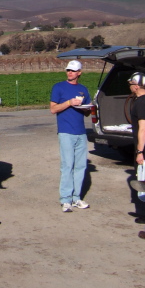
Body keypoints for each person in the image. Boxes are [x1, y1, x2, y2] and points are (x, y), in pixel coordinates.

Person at [50, 60, 92, 212]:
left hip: (81, 132)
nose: (70, 73)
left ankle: (76, 198)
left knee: (80, 166)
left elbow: (87, 111)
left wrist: (87, 108)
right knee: (67, 165)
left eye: (73, 71)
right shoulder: (59, 87)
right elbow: (53, 109)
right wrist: (69, 102)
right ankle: (65, 199)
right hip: (66, 132)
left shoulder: (83, 89)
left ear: (79, 72)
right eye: (68, 70)